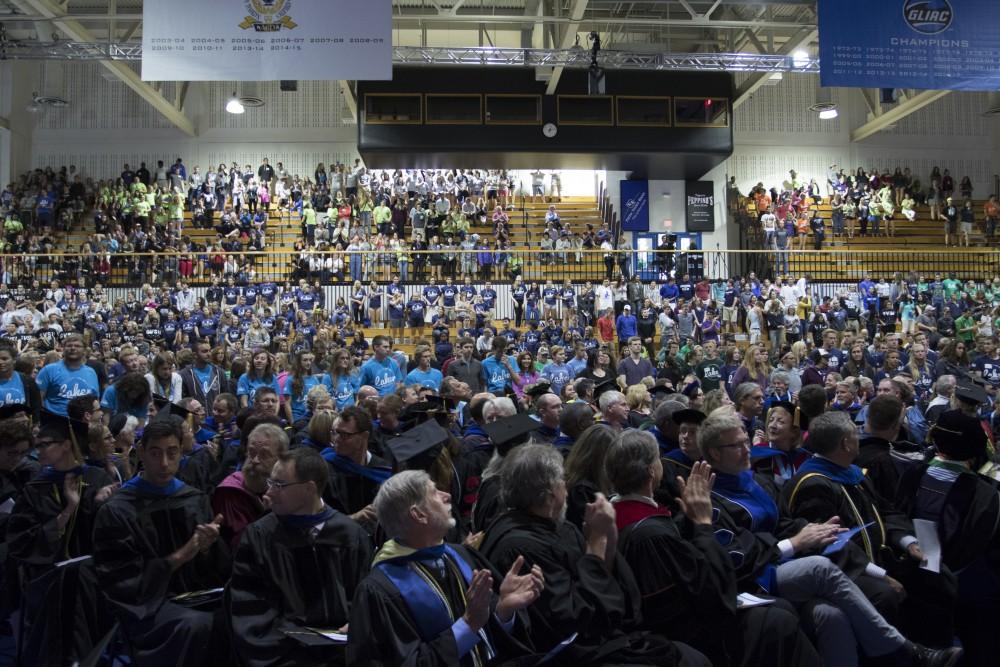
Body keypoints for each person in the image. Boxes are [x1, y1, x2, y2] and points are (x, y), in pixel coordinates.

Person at [700, 412, 961, 667]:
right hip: (755, 580)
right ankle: (908, 652)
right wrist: (796, 542)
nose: (748, 449)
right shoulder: (709, 499)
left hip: (788, 566)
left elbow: (785, 523)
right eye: (737, 445)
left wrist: (816, 530)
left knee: (832, 616)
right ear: (714, 453)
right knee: (827, 570)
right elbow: (736, 555)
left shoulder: (758, 481)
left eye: (747, 441)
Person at [479, 443, 711, 665]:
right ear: (550, 496)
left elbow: (611, 590)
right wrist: (597, 542)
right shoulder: (521, 546)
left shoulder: (556, 526)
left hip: (598, 640)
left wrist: (607, 537)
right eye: (561, 481)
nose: (566, 488)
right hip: (570, 654)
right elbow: (575, 621)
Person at [611, 431, 822, 667]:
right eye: (657, 459)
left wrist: (689, 518)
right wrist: (702, 523)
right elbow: (712, 592)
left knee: (779, 610)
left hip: (674, 623)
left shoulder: (614, 516)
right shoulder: (650, 535)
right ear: (651, 470)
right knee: (779, 620)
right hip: (692, 635)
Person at [782, 411, 960, 650]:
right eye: (855, 434)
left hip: (880, 555)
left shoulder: (852, 473)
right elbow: (830, 544)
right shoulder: (813, 484)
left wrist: (909, 542)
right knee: (884, 594)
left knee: (935, 572)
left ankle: (937, 651)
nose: (860, 437)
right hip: (847, 568)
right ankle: (899, 657)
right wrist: (881, 574)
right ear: (845, 443)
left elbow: (886, 511)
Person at [346, 469, 542, 666]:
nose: (447, 495)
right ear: (419, 515)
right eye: (434, 493)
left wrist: (503, 610)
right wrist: (468, 625)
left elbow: (491, 637)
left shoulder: (462, 556)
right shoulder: (380, 590)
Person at [93, 416, 231, 667]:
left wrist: (207, 550)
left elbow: (216, 571)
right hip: (146, 608)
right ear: (141, 452)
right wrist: (185, 553)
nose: (164, 463)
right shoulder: (119, 509)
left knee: (236, 618)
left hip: (196, 597)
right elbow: (122, 582)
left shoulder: (192, 498)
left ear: (182, 452)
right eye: (155, 453)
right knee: (198, 626)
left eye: (172, 452)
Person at [228, 447, 372, 666]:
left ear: (309, 489)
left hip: (344, 651)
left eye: (279, 485)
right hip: (282, 652)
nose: (269, 493)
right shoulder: (260, 536)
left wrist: (356, 625)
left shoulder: (351, 536)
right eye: (270, 482)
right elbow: (250, 610)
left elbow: (365, 600)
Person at [896, 410, 1000, 666]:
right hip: (964, 587)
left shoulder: (911, 474)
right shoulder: (987, 494)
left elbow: (896, 517)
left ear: (937, 441)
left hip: (910, 577)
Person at [212, 422, 287, 551]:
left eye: (264, 455)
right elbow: (240, 545)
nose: (255, 460)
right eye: (251, 452)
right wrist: (268, 516)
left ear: (281, 458)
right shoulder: (230, 493)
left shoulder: (290, 485)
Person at [321, 406, 392, 532]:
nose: (336, 439)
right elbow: (317, 521)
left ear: (364, 436)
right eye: (334, 432)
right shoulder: (323, 468)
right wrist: (353, 518)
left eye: (344, 435)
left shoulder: (383, 469)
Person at [35, 334, 100, 416]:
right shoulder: (48, 370)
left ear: (84, 350)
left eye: (77, 346)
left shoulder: (91, 372)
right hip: (55, 422)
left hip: (83, 423)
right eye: (69, 345)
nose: (73, 348)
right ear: (63, 349)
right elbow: (37, 400)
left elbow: (95, 400)